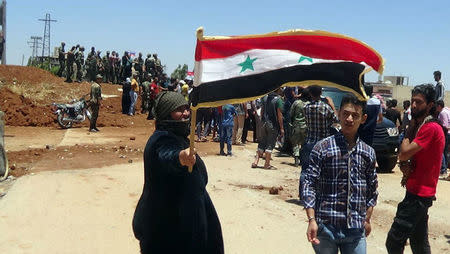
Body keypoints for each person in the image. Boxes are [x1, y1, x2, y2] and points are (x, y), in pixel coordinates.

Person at [132, 91, 224, 254]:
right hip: (169, 231)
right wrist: (180, 158)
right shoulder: (162, 139)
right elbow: (166, 155)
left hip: (185, 227)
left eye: (186, 108)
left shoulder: (178, 137)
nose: (186, 113)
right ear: (167, 113)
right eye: (179, 110)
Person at [302, 94, 378, 254]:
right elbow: (309, 184)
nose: (349, 119)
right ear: (338, 114)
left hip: (355, 230)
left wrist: (367, 219)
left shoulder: (368, 153)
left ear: (363, 119)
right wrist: (311, 220)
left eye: (355, 115)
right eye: (345, 114)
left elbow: (372, 189)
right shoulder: (322, 148)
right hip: (326, 228)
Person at [385, 84, 445, 253]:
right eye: (412, 101)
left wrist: (407, 130)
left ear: (430, 105)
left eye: (419, 102)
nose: (413, 105)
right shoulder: (423, 126)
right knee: (419, 243)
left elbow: (403, 154)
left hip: (419, 194)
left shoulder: (429, 127)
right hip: (418, 191)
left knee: (394, 241)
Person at [300, 85, 338, 175]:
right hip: (323, 144)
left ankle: (304, 188)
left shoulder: (306, 108)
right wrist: (332, 105)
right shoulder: (326, 108)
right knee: (322, 171)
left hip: (309, 141)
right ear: (321, 93)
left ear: (310, 93)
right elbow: (336, 120)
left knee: (306, 170)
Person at [252, 89, 284, 169]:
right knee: (270, 144)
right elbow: (279, 115)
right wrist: (282, 128)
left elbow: (262, 111)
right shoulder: (278, 100)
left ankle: (255, 162)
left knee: (262, 142)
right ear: (278, 90)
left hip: (264, 123)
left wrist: (262, 120)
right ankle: (267, 164)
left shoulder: (265, 98)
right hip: (272, 125)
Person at [289, 87, 308, 166]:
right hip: (306, 126)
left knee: (295, 143)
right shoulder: (309, 104)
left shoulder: (296, 103)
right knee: (304, 143)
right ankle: (302, 159)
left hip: (296, 125)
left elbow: (291, 113)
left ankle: (296, 157)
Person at [436, 100, 450, 177]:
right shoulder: (447, 110)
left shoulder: (442, 112)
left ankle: (443, 169)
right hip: (448, 133)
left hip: (446, 133)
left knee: (441, 151)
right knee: (446, 152)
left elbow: (445, 125)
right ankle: (445, 168)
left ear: (439, 106)